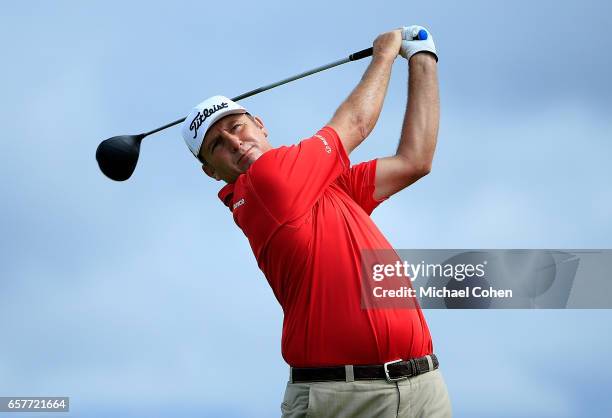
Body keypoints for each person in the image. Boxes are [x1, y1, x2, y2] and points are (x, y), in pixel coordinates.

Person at [181, 25, 451, 418]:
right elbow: (356, 124)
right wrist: (386, 54)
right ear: (211, 172)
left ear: (260, 123)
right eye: (217, 145)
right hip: (340, 400)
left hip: (422, 387)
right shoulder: (265, 186)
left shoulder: (323, 184)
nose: (236, 144)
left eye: (237, 127)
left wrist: (423, 56)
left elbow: (416, 160)